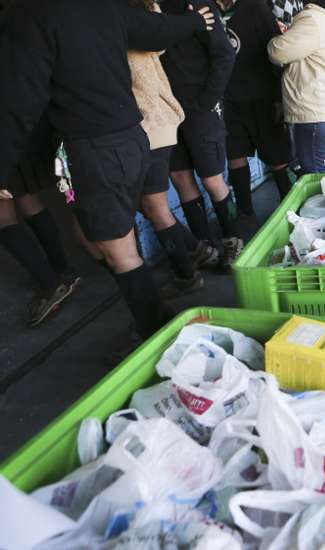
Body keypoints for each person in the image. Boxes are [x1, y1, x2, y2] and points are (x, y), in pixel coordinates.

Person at [0, 0, 216, 343]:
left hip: (98, 151)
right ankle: (157, 318)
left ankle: (159, 334)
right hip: (129, 141)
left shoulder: (31, 14)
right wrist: (191, 20)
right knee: (91, 235)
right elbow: (153, 29)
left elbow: (20, 104)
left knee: (120, 251)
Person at [129, 0, 214, 298]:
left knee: (155, 207)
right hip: (153, 120)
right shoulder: (145, 14)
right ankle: (197, 251)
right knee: (149, 204)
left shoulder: (133, 18)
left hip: (151, 121)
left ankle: (188, 272)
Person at [159, 0, 241, 269]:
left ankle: (233, 241)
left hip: (200, 107)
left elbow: (225, 54)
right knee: (180, 177)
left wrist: (207, 101)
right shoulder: (146, 9)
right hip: (165, 110)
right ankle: (205, 247)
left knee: (211, 178)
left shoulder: (197, 5)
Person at [217, 0, 295, 215]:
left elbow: (275, 52)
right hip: (227, 98)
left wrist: (279, 98)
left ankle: (290, 211)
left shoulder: (255, 7)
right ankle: (245, 214)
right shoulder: (207, 10)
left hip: (262, 95)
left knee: (277, 157)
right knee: (235, 156)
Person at [0, 122, 79, 326]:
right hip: (16, 135)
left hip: (6, 140)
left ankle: (50, 283)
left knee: (3, 216)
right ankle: (62, 269)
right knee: (28, 198)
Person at [269, 0, 325, 172]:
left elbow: (278, 52)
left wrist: (276, 39)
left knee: (320, 177)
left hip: (318, 110)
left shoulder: (313, 19)